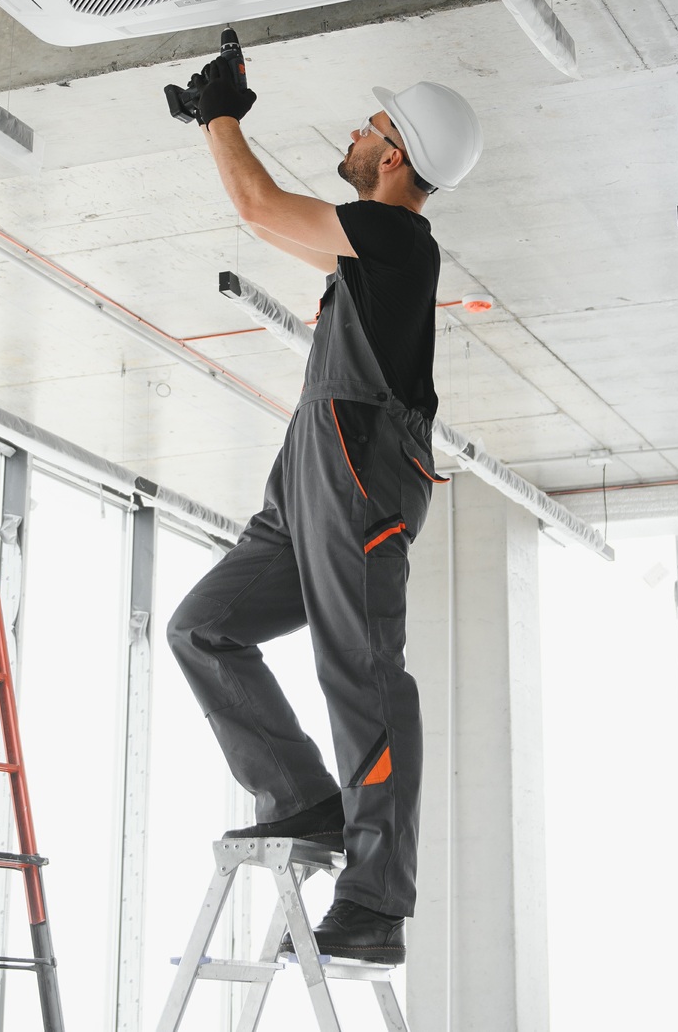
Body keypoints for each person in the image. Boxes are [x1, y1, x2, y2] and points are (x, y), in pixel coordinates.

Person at [164, 51, 483, 965]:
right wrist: (214, 129)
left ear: (393, 158)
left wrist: (224, 116)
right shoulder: (366, 251)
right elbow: (274, 226)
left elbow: (260, 208)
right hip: (306, 480)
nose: (353, 133)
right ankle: (303, 796)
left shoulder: (399, 240)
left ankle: (377, 904)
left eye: (367, 128)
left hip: (358, 479)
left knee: (364, 674)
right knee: (205, 629)